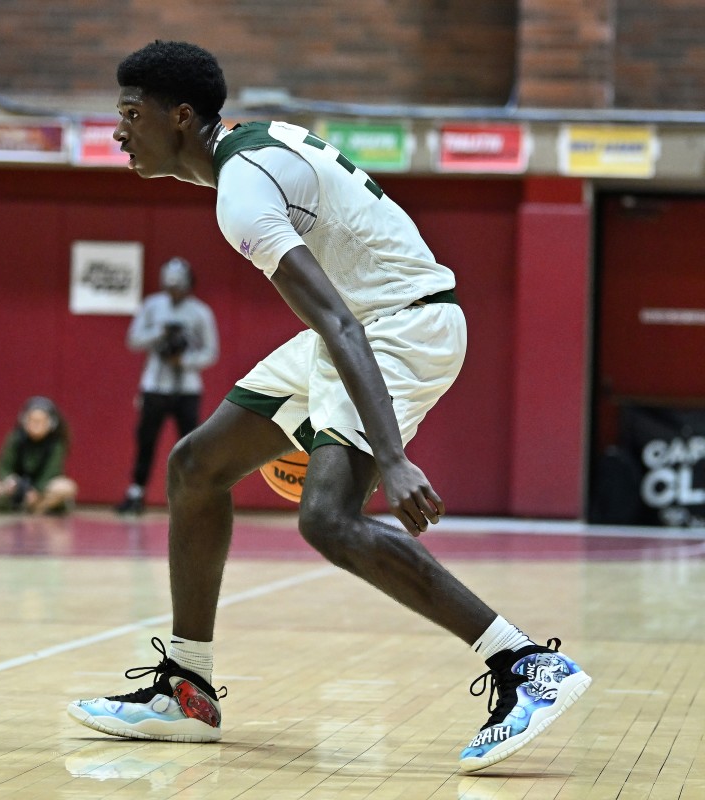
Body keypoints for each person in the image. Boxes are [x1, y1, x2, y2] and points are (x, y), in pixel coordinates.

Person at [68, 41, 591, 773]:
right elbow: (336, 321)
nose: (118, 130)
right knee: (196, 465)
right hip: (365, 321)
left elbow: (340, 322)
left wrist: (397, 459)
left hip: (401, 325)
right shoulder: (245, 153)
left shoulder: (241, 191)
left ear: (180, 117)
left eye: (130, 114)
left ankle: (525, 664)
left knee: (328, 518)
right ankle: (187, 689)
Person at [115, 257, 219, 515]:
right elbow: (133, 340)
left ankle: (193, 495)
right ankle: (136, 492)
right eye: (169, 285)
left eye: (178, 286)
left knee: (190, 444)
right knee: (146, 440)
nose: (173, 291)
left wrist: (183, 360)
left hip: (187, 388)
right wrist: (159, 333)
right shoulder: (152, 306)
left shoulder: (201, 312)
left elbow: (211, 352)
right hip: (154, 385)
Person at [0, 396, 78, 515]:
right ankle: (27, 506)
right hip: (18, 487)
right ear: (24, 421)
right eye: (32, 420)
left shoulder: (56, 443)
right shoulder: (15, 438)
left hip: (44, 489)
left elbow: (52, 471)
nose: (36, 425)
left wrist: (37, 491)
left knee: (66, 487)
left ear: (51, 423)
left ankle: (38, 507)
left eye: (41, 421)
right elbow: (3, 466)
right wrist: (10, 481)